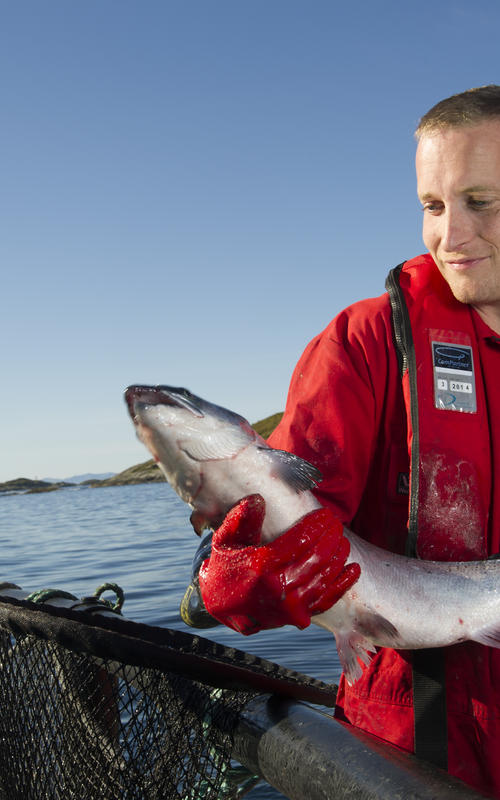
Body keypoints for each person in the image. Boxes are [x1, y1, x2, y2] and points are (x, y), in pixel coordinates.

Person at [198, 86, 500, 797]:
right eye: (432, 206)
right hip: (410, 755)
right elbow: (274, 546)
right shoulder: (363, 344)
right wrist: (245, 572)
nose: (449, 236)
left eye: (481, 201)